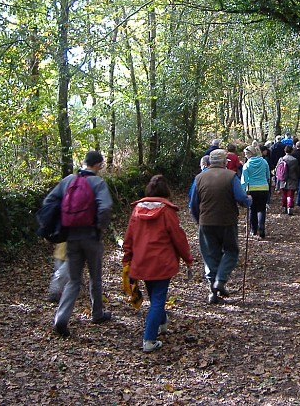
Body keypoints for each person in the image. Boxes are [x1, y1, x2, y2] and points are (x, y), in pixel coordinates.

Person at [44, 150, 113, 337]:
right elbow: (105, 207)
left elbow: (49, 201)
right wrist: (100, 227)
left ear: (84, 162)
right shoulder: (98, 183)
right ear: (98, 165)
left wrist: (60, 225)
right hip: (91, 236)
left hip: (71, 238)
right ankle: (97, 313)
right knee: (95, 277)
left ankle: (61, 318)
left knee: (74, 280)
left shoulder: (68, 180)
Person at [123, 175, 194, 352]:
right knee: (157, 300)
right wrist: (187, 259)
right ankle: (149, 339)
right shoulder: (167, 211)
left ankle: (162, 322)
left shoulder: (137, 210)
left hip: (142, 261)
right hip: (162, 262)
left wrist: (127, 258)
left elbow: (129, 237)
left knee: (155, 295)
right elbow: (178, 238)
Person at [190, 149, 251, 304]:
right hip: (227, 222)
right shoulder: (231, 176)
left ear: (209, 162)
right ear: (225, 162)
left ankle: (213, 291)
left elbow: (193, 204)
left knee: (210, 255)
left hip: (206, 223)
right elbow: (241, 198)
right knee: (231, 251)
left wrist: (199, 220)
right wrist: (248, 200)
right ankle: (221, 281)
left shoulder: (199, 178)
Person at [241, 143, 271, 238]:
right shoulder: (264, 162)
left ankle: (253, 230)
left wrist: (243, 191)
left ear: (251, 154)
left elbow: (244, 180)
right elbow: (268, 175)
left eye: (246, 154)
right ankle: (261, 227)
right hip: (264, 188)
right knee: (261, 209)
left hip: (252, 189)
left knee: (253, 209)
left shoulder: (247, 165)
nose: (245, 155)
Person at [275, 144, 300, 215]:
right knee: (290, 194)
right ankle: (289, 207)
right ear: (291, 151)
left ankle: (284, 207)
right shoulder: (294, 160)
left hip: (282, 179)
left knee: (284, 194)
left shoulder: (281, 159)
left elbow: (277, 170)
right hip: (292, 179)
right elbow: (297, 170)